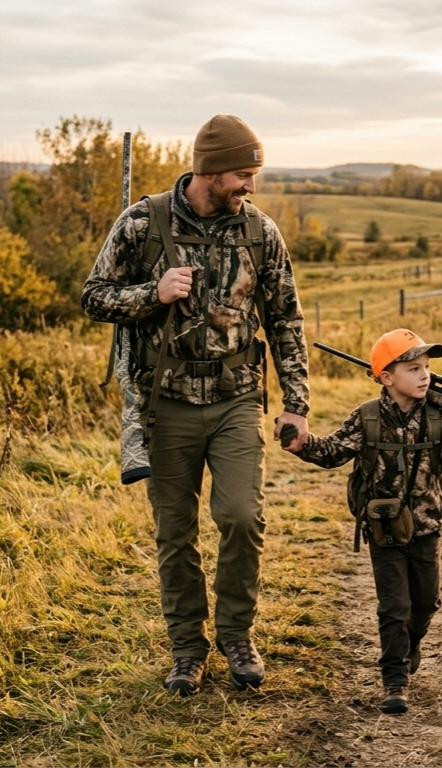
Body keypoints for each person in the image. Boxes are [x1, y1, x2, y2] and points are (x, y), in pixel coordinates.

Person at [82, 115, 309, 696]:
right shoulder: (142, 223)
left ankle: (237, 636)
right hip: (167, 405)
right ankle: (188, 649)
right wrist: (150, 295)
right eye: (242, 174)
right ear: (209, 170)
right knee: (174, 533)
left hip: (236, 400)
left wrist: (295, 403)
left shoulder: (260, 231)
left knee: (241, 517)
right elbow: (94, 296)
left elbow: (285, 318)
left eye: (254, 174)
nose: (250, 186)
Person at [285, 328, 442, 714]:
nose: (424, 375)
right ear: (387, 378)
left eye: (426, 368)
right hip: (384, 528)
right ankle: (395, 681)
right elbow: (332, 452)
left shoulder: (438, 420)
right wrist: (302, 443)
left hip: (426, 527)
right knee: (394, 606)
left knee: (425, 603)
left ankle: (410, 646)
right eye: (413, 368)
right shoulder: (367, 418)